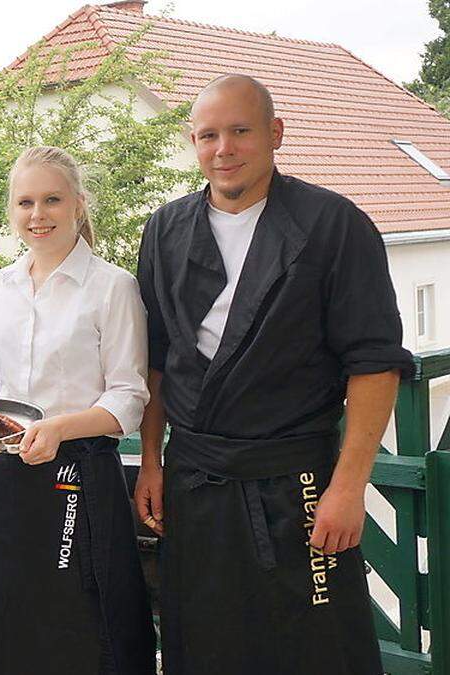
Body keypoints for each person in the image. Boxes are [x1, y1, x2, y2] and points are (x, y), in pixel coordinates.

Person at [134, 74, 411, 674]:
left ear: (274, 134)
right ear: (193, 142)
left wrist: (348, 487)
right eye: (209, 135)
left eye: (240, 131)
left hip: (298, 483)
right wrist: (151, 458)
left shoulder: (334, 225)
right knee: (204, 645)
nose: (224, 149)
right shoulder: (164, 230)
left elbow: (375, 363)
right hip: (194, 479)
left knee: (315, 649)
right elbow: (156, 359)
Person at [0, 146, 156, 674]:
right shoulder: (3, 284)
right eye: (25, 202)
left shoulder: (113, 287)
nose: (37, 215)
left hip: (79, 474)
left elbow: (128, 398)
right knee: (4, 617)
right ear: (11, 211)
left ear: (78, 205)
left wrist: (58, 427)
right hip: (8, 471)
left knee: (82, 623)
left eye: (51, 200)